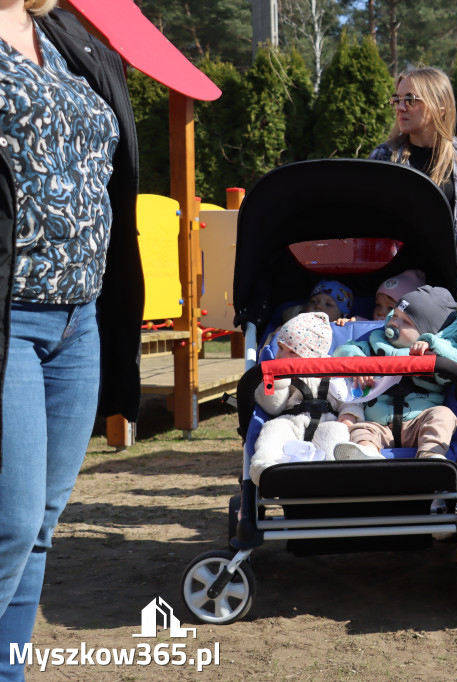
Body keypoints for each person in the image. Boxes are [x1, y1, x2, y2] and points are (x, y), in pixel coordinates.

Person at [0, 2, 142, 676]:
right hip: (10, 318)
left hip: (80, 317)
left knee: (41, 528)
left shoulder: (62, 33)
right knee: (11, 525)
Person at [369, 66, 457, 307]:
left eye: (411, 99)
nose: (400, 107)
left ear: (440, 105)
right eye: (397, 99)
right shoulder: (385, 157)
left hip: (451, 283)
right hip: (396, 287)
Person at [333, 285, 457, 460]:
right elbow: (344, 350)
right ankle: (368, 454)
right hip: (379, 425)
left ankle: (431, 456)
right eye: (395, 315)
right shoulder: (375, 343)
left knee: (443, 415)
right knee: (361, 429)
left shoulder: (434, 353)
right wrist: (359, 363)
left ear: (426, 333)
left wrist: (433, 345)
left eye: (406, 322)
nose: (394, 323)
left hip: (419, 424)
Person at [250, 313, 362, 485]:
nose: (280, 356)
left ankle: (335, 472)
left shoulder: (334, 370)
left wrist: (349, 414)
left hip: (328, 419)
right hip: (291, 419)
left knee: (336, 431)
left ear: (311, 354)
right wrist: (278, 383)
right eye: (280, 348)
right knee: (273, 428)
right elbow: (272, 408)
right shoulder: (277, 372)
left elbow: (351, 397)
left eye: (291, 351)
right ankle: (265, 466)